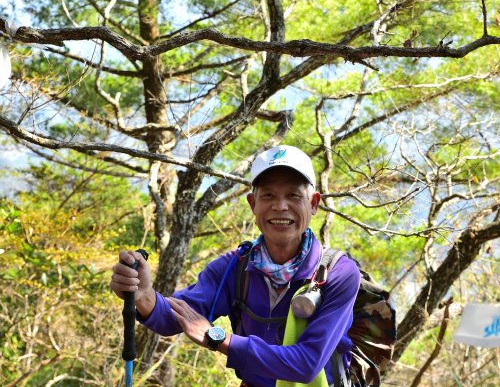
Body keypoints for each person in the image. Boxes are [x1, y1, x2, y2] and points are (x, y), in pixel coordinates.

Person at [110, 145, 361, 386]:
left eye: (294, 195)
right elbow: (177, 315)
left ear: (314, 203)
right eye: (268, 195)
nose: (280, 206)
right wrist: (143, 297)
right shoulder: (234, 268)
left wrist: (218, 338)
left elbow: (306, 364)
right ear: (253, 204)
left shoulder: (338, 272)